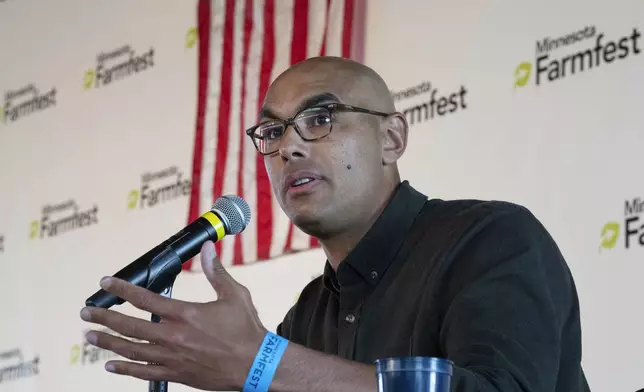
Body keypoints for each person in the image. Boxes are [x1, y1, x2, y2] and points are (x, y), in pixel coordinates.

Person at [78, 56, 591, 392]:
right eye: (273, 131)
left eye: (320, 118)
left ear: (391, 139)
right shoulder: (307, 315)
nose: (289, 147)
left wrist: (262, 363)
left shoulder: (491, 239)